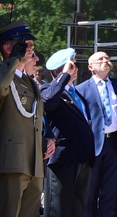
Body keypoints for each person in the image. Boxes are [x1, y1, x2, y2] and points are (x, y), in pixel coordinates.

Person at [76, 51, 117, 217]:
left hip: (115, 143)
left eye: (107, 58)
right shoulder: (81, 90)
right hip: (92, 145)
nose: (105, 60)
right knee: (90, 190)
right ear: (91, 67)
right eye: (100, 59)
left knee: (110, 190)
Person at [0, 21, 50, 217]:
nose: (30, 48)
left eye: (31, 44)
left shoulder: (29, 81)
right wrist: (12, 59)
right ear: (7, 47)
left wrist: (48, 137)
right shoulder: (6, 76)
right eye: (24, 43)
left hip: (33, 162)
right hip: (12, 161)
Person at [42, 48, 95, 217]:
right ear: (59, 71)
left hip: (82, 158)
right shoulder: (47, 89)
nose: (76, 68)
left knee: (78, 209)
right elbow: (49, 100)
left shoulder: (74, 93)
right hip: (64, 160)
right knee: (59, 210)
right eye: (72, 65)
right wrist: (63, 77)